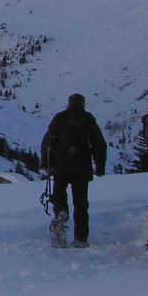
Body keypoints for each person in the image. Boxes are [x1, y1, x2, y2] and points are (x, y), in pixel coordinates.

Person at [40, 93, 107, 247]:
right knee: (81, 203)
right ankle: (81, 239)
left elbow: (47, 142)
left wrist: (47, 163)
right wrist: (100, 166)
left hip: (61, 165)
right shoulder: (88, 119)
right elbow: (99, 144)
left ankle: (61, 214)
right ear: (83, 104)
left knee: (59, 195)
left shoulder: (60, 118)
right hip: (82, 167)